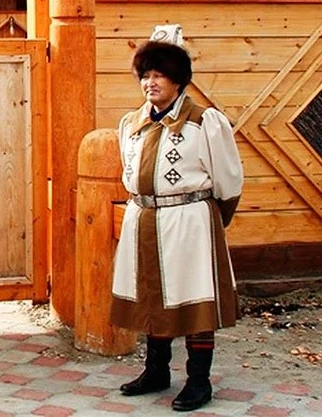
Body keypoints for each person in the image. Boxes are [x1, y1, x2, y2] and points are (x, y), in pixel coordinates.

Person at [111, 24, 243, 412]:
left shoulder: (205, 122)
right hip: (144, 219)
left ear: (178, 80)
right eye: (146, 75)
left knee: (193, 299)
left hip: (189, 223)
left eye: (159, 75)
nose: (150, 83)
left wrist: (210, 223)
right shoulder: (131, 124)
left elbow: (228, 180)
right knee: (153, 296)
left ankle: (199, 382)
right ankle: (156, 371)